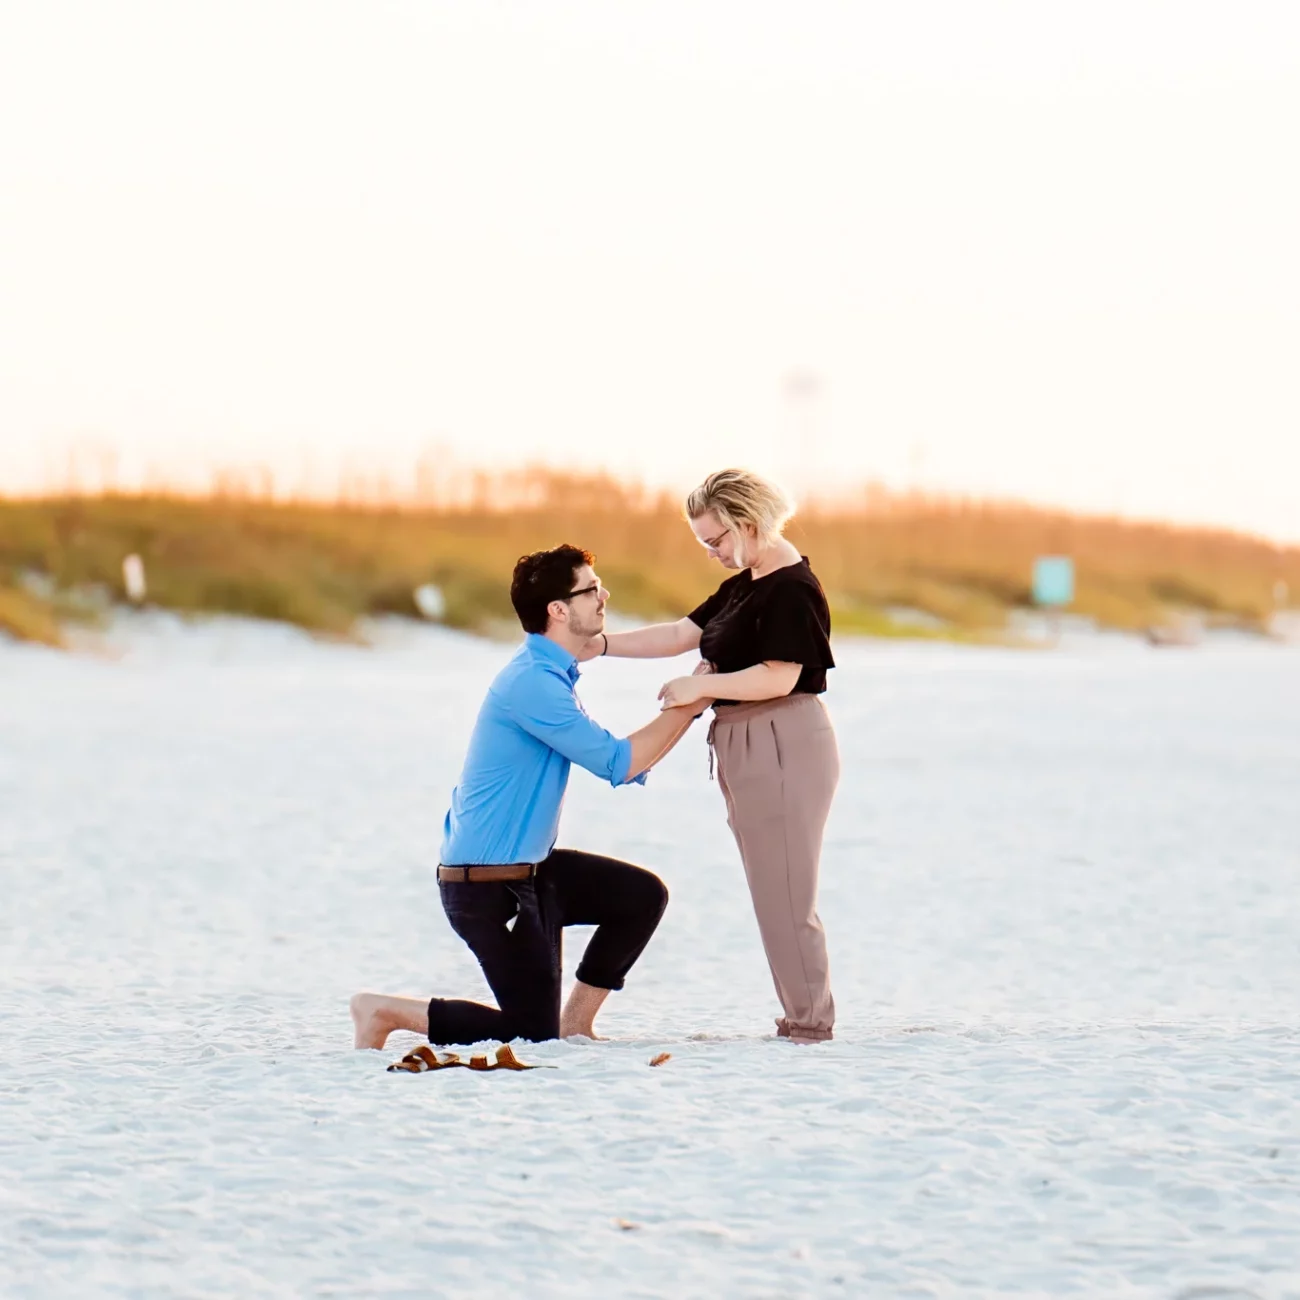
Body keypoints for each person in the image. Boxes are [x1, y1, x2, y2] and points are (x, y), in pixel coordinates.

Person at [350, 544, 703, 1050]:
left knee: (641, 896)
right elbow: (620, 763)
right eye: (590, 589)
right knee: (527, 1034)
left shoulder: (551, 673)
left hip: (533, 872)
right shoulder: (532, 684)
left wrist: (697, 694)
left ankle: (576, 1024)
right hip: (487, 889)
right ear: (558, 610)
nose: (604, 595)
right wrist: (698, 697)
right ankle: (381, 1010)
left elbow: (630, 760)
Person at [583, 469, 839, 1043]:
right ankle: (804, 1017)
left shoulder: (791, 586)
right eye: (705, 543)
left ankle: (810, 1025)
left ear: (749, 524)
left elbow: (783, 675)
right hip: (750, 742)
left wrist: (700, 688)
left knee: (786, 895)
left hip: (784, 742)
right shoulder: (749, 580)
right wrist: (597, 645)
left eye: (716, 541)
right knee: (771, 890)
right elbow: (680, 634)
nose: (713, 553)